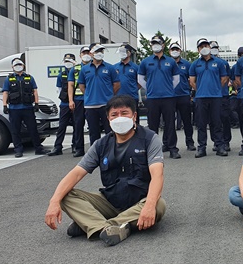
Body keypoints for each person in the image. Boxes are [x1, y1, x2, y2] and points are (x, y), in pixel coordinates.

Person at [44, 95, 166, 246]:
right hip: (110, 201)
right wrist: (54, 201)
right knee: (65, 194)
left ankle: (93, 225)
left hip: (139, 200)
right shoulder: (100, 145)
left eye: (124, 113)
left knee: (158, 205)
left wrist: (149, 206)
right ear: (108, 118)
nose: (119, 118)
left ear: (134, 116)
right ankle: (112, 227)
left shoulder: (149, 139)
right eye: (114, 115)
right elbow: (75, 174)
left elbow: (157, 175)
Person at [138, 35, 181, 159]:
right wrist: (150, 88)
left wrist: (167, 88)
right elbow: (140, 79)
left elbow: (176, 79)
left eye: (157, 43)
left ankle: (173, 148)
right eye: (153, 43)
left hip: (168, 97)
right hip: (152, 98)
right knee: (153, 125)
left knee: (170, 124)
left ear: (163, 45)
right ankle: (153, 150)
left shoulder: (171, 61)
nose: (155, 45)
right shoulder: (146, 61)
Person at [189, 38, 228, 157]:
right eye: (201, 46)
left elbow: (224, 78)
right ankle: (202, 147)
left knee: (217, 122)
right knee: (201, 123)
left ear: (210, 47)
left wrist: (216, 88)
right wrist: (200, 89)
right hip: (201, 97)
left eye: (206, 45)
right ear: (198, 50)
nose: (204, 48)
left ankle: (219, 146)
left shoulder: (219, 63)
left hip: (216, 97)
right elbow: (192, 81)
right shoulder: (195, 64)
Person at [2, 58, 48, 157]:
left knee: (33, 129)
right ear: (12, 67)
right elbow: (5, 92)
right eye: (16, 65)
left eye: (20, 64)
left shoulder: (29, 78)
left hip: (27, 108)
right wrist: (5, 105)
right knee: (15, 130)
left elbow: (35, 91)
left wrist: (36, 103)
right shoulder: (9, 79)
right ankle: (18, 150)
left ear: (23, 66)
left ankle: (38, 148)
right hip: (14, 109)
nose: (18, 66)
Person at [77, 43, 120, 146]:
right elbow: (82, 86)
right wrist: (89, 94)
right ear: (91, 53)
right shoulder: (84, 69)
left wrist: (108, 95)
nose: (99, 53)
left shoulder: (110, 68)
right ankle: (95, 153)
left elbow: (117, 84)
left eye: (101, 51)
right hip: (90, 105)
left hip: (106, 105)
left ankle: (111, 151)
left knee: (110, 131)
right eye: (96, 51)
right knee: (93, 132)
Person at [169, 42, 196, 151]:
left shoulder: (187, 64)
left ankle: (190, 142)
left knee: (187, 121)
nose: (175, 51)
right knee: (169, 122)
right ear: (170, 51)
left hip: (184, 95)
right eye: (173, 49)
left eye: (177, 49)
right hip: (169, 96)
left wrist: (190, 92)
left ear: (180, 51)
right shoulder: (167, 63)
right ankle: (168, 143)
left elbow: (192, 79)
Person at [48, 53, 76, 156]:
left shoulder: (77, 72)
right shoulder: (61, 74)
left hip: (76, 103)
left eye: (70, 61)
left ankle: (75, 146)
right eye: (66, 61)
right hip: (64, 104)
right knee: (62, 126)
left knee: (77, 126)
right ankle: (58, 147)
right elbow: (59, 89)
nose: (68, 63)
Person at [66, 46, 92, 157]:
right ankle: (79, 148)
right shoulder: (75, 69)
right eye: (83, 53)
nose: (86, 54)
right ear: (80, 55)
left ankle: (94, 149)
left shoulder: (95, 67)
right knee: (78, 125)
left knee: (93, 125)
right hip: (78, 100)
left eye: (88, 52)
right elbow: (70, 85)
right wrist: (71, 100)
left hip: (91, 100)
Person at [210, 40, 233, 153]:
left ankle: (226, 141)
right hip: (211, 96)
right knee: (213, 119)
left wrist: (219, 87)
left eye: (215, 47)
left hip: (223, 94)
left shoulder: (224, 63)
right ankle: (216, 141)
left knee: (224, 118)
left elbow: (227, 77)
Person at [114, 43, 141, 126]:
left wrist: (133, 89)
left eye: (124, 51)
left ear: (129, 53)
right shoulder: (114, 67)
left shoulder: (136, 67)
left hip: (132, 98)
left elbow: (140, 82)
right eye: (120, 52)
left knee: (133, 120)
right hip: (118, 98)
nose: (121, 54)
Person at [230, 46, 243, 131]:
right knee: (242, 116)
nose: (242, 56)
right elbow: (233, 80)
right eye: (241, 55)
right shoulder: (235, 67)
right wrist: (238, 88)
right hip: (241, 93)